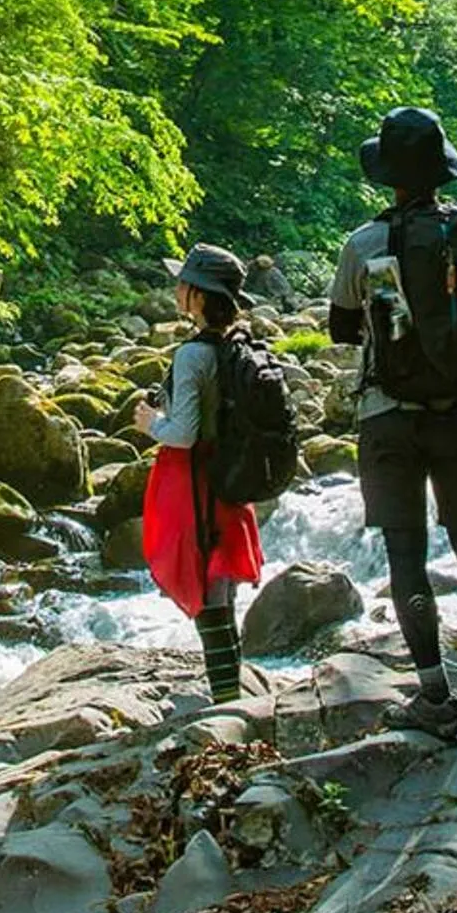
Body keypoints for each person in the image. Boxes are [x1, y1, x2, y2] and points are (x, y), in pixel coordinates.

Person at [328, 106, 457, 740]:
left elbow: (343, 327)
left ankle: (434, 695)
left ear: (388, 176)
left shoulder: (364, 244)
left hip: (389, 420)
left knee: (407, 555)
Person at [134, 243, 266, 702]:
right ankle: (234, 698)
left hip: (195, 482)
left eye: (183, 283)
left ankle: (228, 703)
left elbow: (185, 433)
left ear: (198, 295)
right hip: (229, 479)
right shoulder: (237, 342)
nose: (177, 288)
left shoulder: (193, 355)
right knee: (222, 592)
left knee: (207, 594)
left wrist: (152, 424)